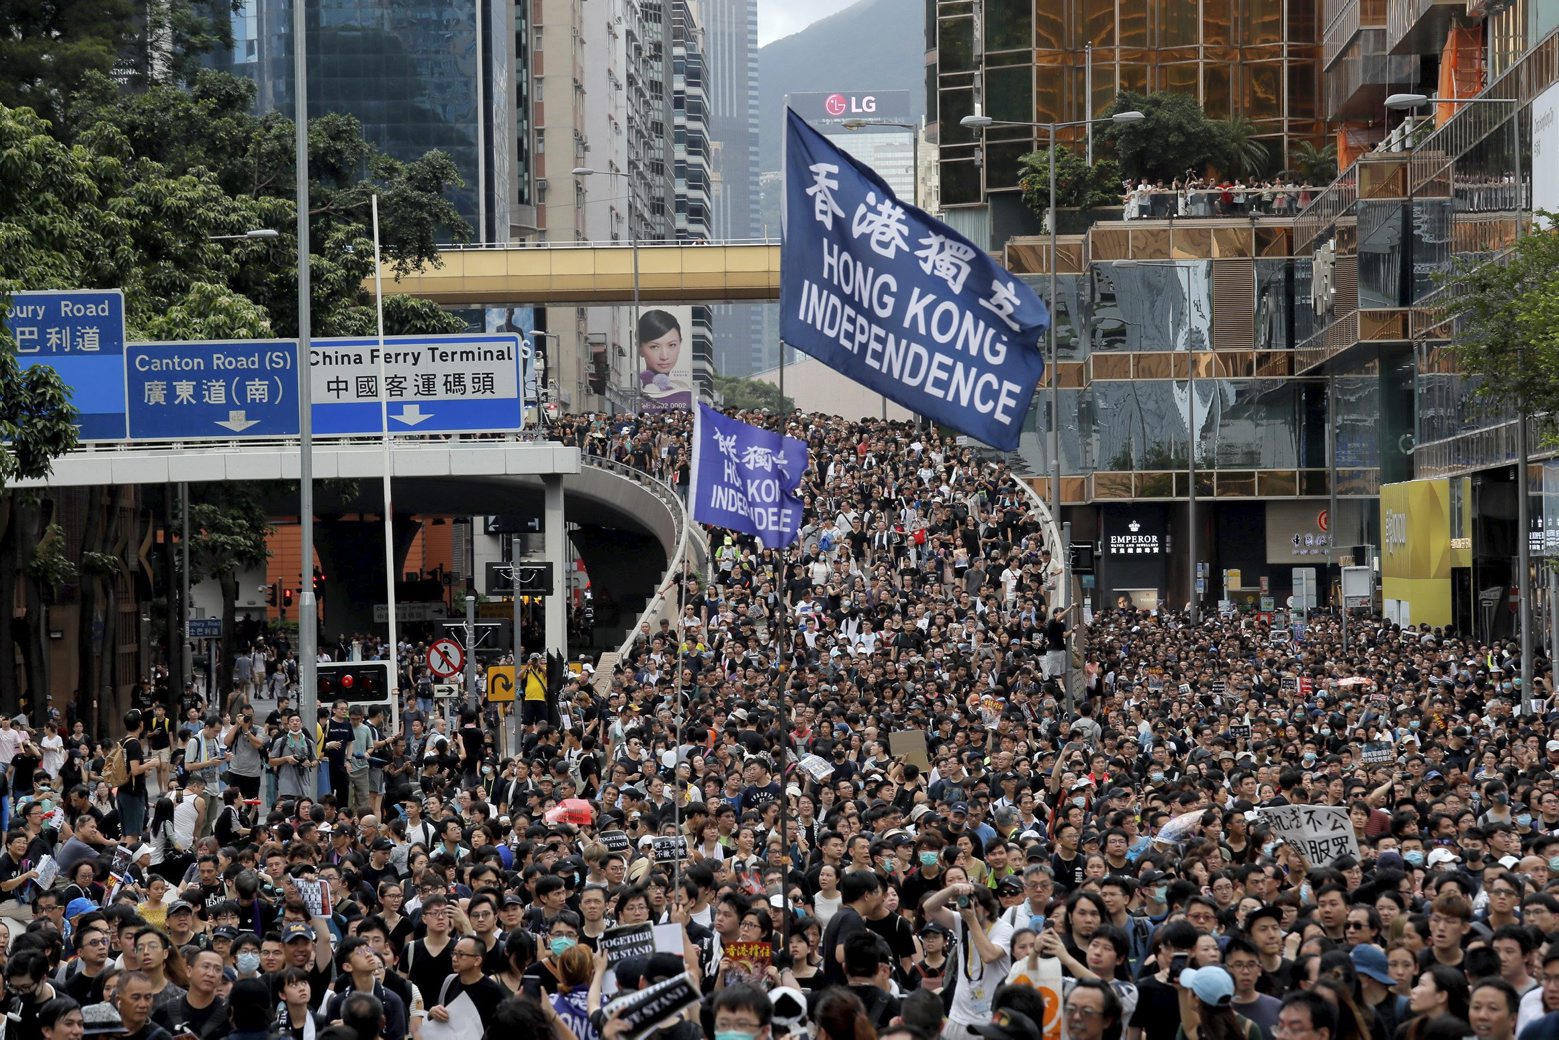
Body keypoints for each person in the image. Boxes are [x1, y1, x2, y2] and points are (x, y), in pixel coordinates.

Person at [637, 310, 686, 396]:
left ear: (680, 344)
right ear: (639, 349)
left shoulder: (682, 389)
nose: (664, 356)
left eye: (672, 345)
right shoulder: (636, 388)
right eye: (654, 347)